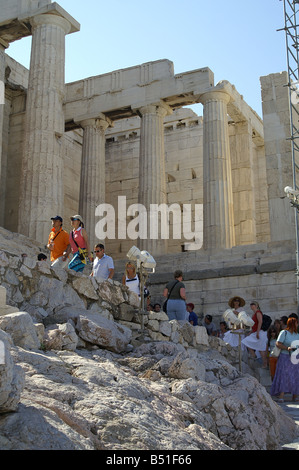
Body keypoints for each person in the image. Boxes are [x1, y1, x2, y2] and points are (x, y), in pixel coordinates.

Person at [270, 317, 299, 403]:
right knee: (283, 375)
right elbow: (278, 343)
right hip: (285, 356)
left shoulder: (297, 335)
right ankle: (281, 395)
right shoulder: (284, 332)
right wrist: (287, 348)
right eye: (296, 323)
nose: (297, 325)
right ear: (293, 324)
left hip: (295, 357)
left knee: (295, 375)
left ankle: (295, 395)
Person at [241, 301, 268, 368]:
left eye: (253, 304)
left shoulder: (258, 312)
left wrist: (258, 332)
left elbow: (260, 322)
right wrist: (251, 332)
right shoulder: (254, 314)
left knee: (261, 348)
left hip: (260, 332)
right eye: (251, 304)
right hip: (256, 332)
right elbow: (254, 325)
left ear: (256, 305)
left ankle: (265, 363)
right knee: (246, 341)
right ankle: (255, 356)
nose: (251, 306)